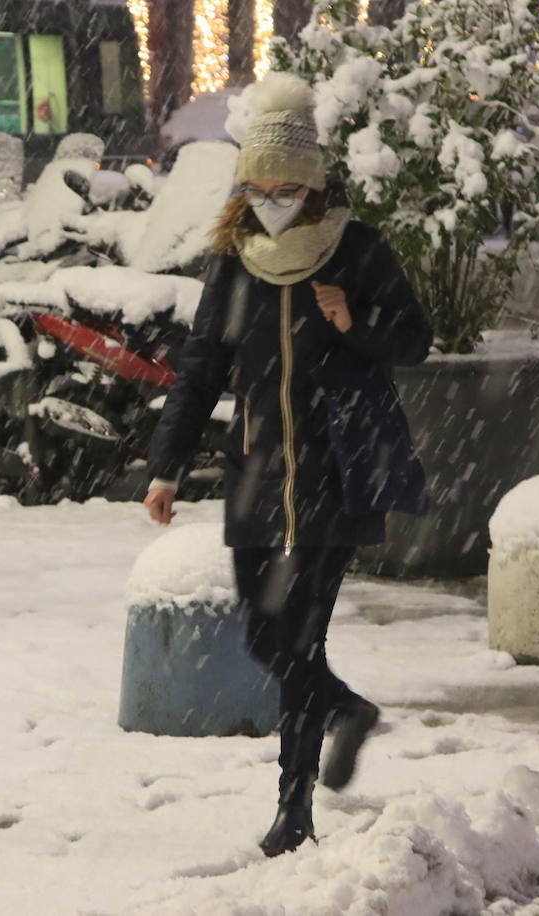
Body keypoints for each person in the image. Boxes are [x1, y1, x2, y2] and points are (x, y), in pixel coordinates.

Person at [144, 73, 432, 858]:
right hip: (258, 476)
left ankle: (292, 808)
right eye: (260, 183)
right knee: (265, 638)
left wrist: (357, 318)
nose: (272, 195)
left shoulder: (354, 251)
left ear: (312, 183)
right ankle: (345, 711)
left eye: (286, 183)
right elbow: (202, 367)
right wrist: (166, 466)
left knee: (299, 636)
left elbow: (414, 338)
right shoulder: (236, 263)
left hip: (336, 473)